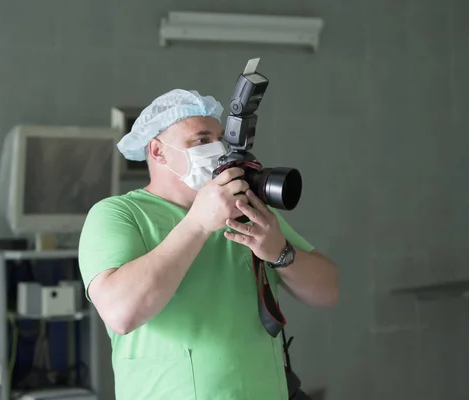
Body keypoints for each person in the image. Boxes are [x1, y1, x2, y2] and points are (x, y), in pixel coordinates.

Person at [78, 89, 339, 400]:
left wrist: (281, 253)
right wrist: (199, 223)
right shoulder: (118, 214)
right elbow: (121, 313)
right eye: (201, 141)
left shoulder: (247, 207)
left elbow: (329, 291)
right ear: (158, 151)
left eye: (220, 141)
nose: (217, 151)